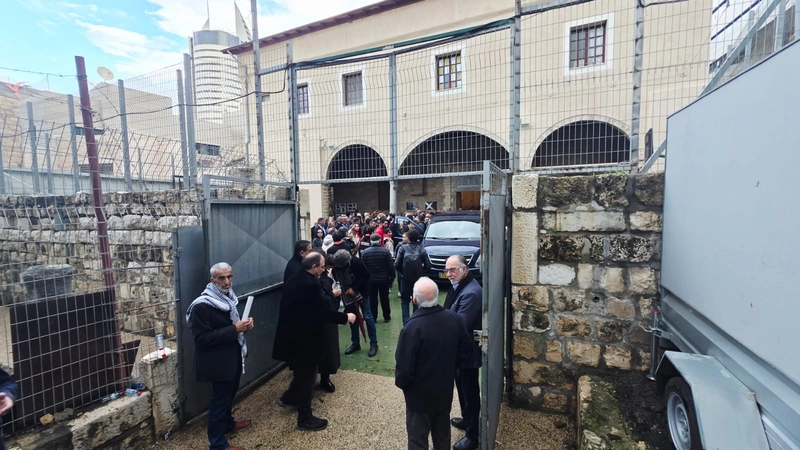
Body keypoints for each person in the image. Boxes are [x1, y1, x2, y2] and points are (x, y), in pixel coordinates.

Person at [273, 253, 356, 431]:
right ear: (313, 267)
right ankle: (305, 418)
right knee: (308, 377)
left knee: (302, 373)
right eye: (323, 266)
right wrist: (345, 317)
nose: (325, 269)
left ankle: (289, 397)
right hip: (305, 340)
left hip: (292, 335)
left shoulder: (295, 279)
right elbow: (321, 311)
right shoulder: (310, 285)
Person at [395, 277, 471, 450]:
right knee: (442, 435)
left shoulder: (412, 328)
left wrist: (405, 386)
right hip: (443, 392)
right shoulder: (453, 318)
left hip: (419, 398)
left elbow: (403, 369)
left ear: (415, 300)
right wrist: (454, 369)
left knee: (418, 440)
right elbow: (465, 350)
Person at [186, 262, 254, 450]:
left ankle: (228, 424)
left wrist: (244, 326)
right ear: (213, 280)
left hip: (232, 357)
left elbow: (232, 326)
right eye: (222, 278)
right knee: (219, 402)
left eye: (229, 276)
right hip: (217, 363)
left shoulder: (228, 298)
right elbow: (201, 338)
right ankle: (218, 445)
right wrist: (234, 329)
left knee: (229, 396)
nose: (227, 281)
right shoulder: (202, 305)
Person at [443, 255, 482, 450]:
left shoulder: (471, 293)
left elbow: (460, 325)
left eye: (453, 270)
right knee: (463, 389)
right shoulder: (460, 286)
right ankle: (467, 421)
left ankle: (473, 436)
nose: (449, 274)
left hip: (467, 353)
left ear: (464, 270)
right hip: (460, 353)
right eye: (447, 270)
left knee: (470, 392)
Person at [331, 250, 379, 357]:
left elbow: (366, 276)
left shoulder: (357, 262)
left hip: (363, 292)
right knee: (352, 318)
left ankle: (374, 343)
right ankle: (355, 343)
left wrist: (354, 288)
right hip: (347, 295)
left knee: (367, 316)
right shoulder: (336, 266)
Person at [314, 250, 341, 393]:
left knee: (328, 349)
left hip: (327, 319)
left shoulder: (325, 277)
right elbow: (321, 300)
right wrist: (333, 294)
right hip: (320, 320)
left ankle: (325, 377)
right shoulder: (315, 281)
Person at [395, 230, 430, 326]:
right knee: (417, 301)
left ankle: (406, 323)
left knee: (404, 301)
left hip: (405, 279)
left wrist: (401, 273)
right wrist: (422, 274)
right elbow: (428, 266)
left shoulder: (402, 248)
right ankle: (415, 321)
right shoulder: (421, 249)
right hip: (418, 279)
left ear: (409, 238)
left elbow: (397, 264)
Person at [361, 233, 395, 323]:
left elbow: (363, 268)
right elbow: (390, 266)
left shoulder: (365, 252)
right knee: (384, 298)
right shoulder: (385, 252)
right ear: (379, 241)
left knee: (372, 299)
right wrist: (392, 277)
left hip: (371, 280)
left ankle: (374, 317)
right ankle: (387, 316)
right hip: (384, 279)